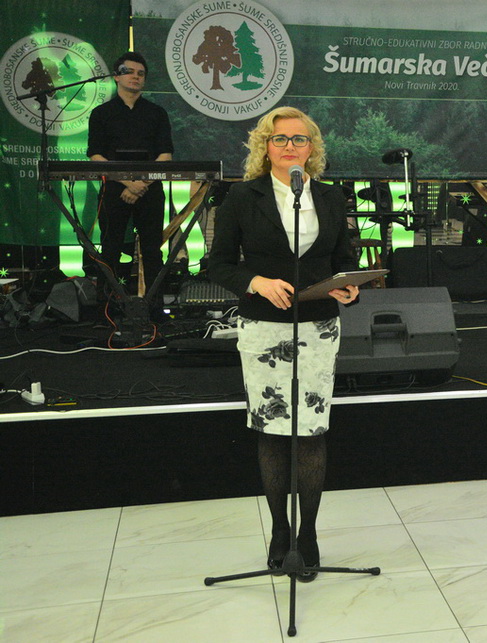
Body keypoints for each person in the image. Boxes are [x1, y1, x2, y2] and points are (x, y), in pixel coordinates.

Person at [208, 106, 360, 580]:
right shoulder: (241, 196)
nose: (290, 146)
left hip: (318, 327)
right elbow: (217, 264)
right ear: (264, 147)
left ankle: (307, 533)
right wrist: (256, 281)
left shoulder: (331, 196)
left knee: (311, 431)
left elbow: (344, 258)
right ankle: (279, 531)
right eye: (280, 139)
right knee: (273, 432)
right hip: (265, 328)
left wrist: (348, 287)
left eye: (299, 139)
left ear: (312, 148)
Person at [86, 51, 173, 298]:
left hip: (150, 189)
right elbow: (95, 155)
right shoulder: (101, 113)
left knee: (153, 251)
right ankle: (107, 308)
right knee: (110, 249)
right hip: (114, 188)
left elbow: (165, 155)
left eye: (141, 74)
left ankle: (155, 308)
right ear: (116, 76)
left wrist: (141, 183)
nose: (136, 77)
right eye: (130, 72)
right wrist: (128, 182)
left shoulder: (157, 113)